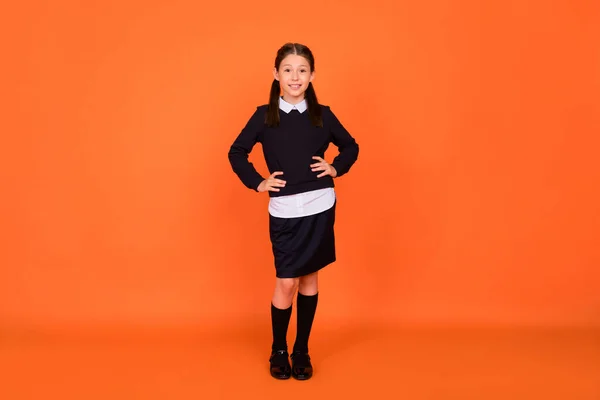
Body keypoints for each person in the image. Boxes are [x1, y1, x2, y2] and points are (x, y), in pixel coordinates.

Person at [227, 42, 359, 380]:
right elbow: (237, 152)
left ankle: (302, 349)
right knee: (287, 281)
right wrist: (258, 182)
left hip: (319, 206)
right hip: (284, 209)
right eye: (288, 70)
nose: (295, 77)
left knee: (310, 278)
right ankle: (278, 348)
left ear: (312, 75)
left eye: (302, 70)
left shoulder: (323, 115)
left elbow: (351, 146)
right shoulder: (264, 116)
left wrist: (335, 167)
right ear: (276, 75)